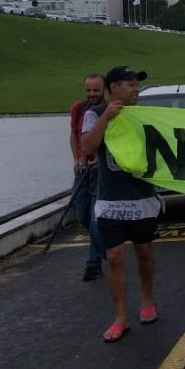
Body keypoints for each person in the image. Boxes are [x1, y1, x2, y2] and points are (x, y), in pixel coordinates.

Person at [79, 66, 159, 342]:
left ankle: (147, 299)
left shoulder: (144, 114)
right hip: (111, 199)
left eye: (137, 85)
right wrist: (107, 118)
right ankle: (120, 316)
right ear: (114, 87)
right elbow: (88, 147)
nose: (136, 89)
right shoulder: (95, 114)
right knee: (113, 257)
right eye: (130, 84)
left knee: (144, 252)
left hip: (142, 197)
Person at [70, 73, 106, 281]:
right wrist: (77, 158)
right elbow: (74, 135)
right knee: (81, 213)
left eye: (96, 91)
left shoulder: (107, 111)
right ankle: (106, 249)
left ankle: (93, 264)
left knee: (95, 218)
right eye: (88, 90)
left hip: (101, 171)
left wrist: (100, 159)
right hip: (83, 169)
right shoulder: (78, 109)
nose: (92, 94)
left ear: (104, 91)